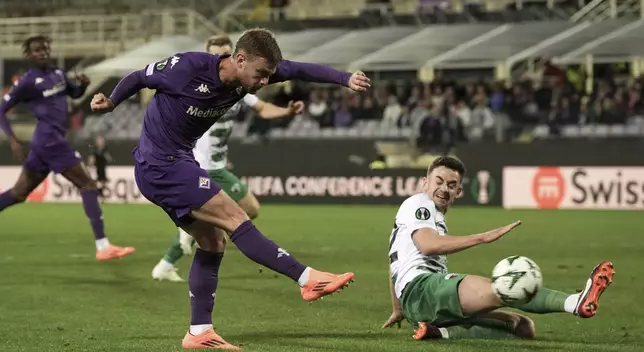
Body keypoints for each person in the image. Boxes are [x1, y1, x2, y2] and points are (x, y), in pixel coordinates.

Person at [90, 28, 370, 350]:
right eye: (261, 74)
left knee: (213, 242)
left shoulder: (249, 76)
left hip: (178, 161)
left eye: (268, 75)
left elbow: (301, 69)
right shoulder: (187, 68)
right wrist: (111, 101)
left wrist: (346, 78)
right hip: (160, 164)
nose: (265, 82)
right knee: (235, 215)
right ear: (239, 59)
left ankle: (199, 332)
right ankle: (307, 279)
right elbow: (140, 77)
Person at [382, 156, 615, 341]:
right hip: (425, 290)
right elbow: (428, 245)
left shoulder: (432, 216)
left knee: (523, 327)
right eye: (439, 182)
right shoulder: (418, 203)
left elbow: (394, 260)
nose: (444, 189)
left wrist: (399, 309)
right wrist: (482, 237)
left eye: (452, 185)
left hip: (423, 305)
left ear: (458, 192)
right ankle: (575, 303)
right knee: (506, 287)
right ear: (425, 183)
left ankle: (438, 332)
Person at [152, 34, 306, 282]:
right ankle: (180, 244)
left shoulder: (239, 86)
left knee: (230, 217)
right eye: (215, 53)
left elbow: (262, 108)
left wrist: (286, 111)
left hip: (217, 164)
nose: (221, 57)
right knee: (247, 209)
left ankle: (171, 257)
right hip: (203, 166)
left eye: (226, 52)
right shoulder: (200, 84)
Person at [0, 35, 135, 262]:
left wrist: (82, 85)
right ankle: (103, 246)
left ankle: (103, 246)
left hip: (45, 144)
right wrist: (13, 139)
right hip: (50, 141)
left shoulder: (58, 74)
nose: (42, 52)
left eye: (44, 48)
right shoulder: (27, 82)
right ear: (28, 55)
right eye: (36, 50)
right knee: (88, 185)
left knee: (18, 193)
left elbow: (74, 94)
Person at [87, 134, 112, 200]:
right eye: (98, 140)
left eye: (101, 140)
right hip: (97, 170)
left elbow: (109, 159)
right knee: (98, 183)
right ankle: (98, 195)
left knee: (102, 183)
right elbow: (91, 159)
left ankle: (100, 195)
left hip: (103, 170)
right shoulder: (94, 150)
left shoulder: (105, 149)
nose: (100, 142)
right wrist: (91, 164)